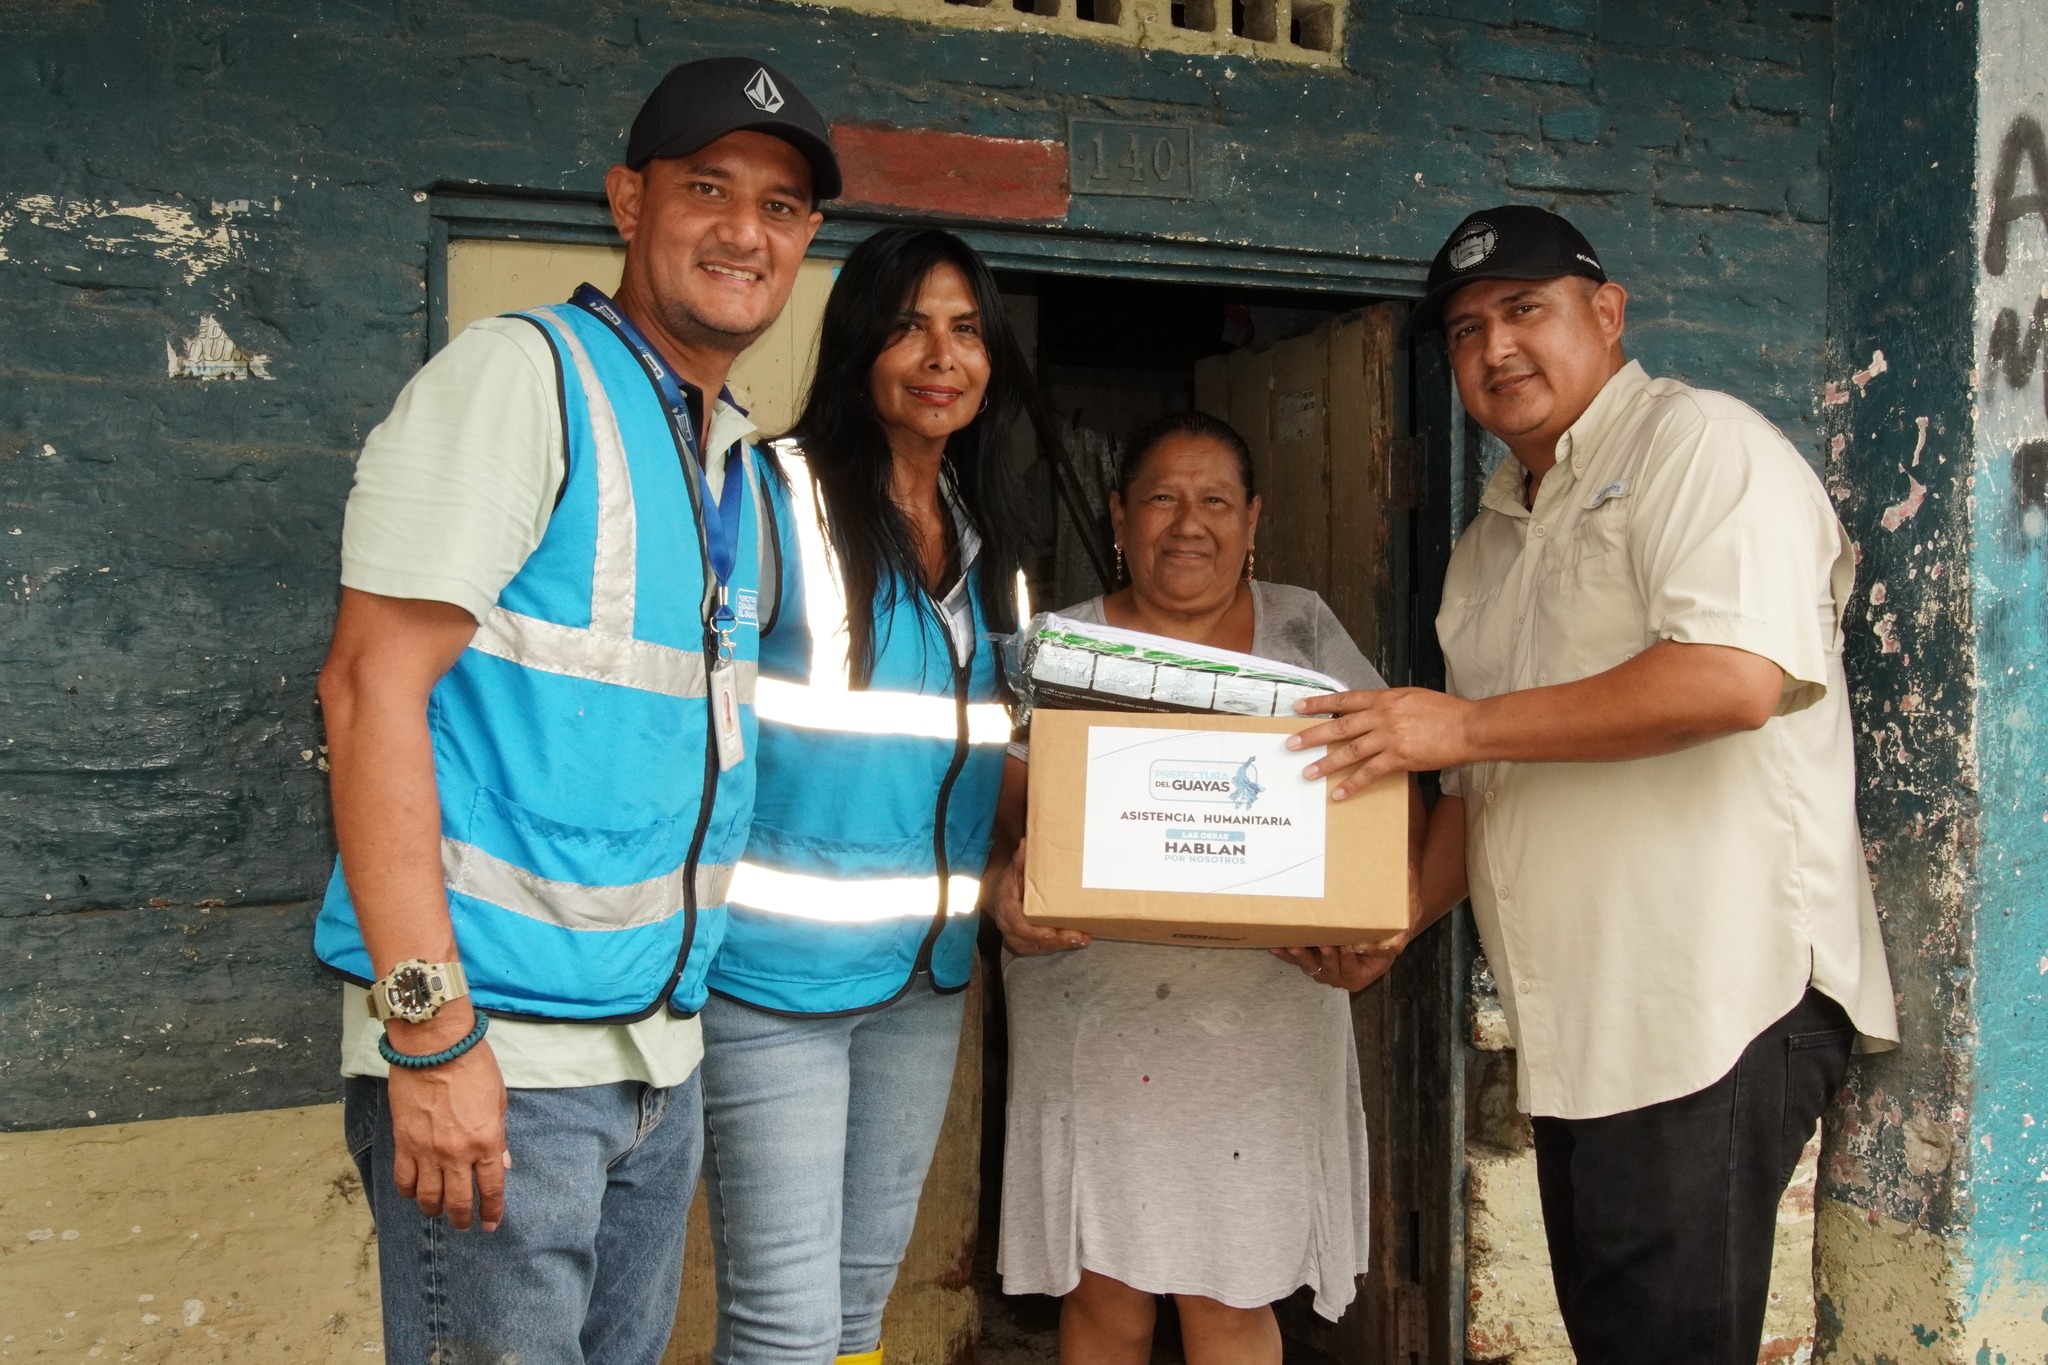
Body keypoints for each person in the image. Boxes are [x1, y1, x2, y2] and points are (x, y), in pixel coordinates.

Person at [1292, 204, 1899, 1363]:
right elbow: (1478, 783)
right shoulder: (1490, 539)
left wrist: (1459, 724)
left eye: (1523, 310)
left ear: (1607, 313)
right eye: (1464, 331)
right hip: (1586, 1019)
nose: (1493, 349)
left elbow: (1730, 679)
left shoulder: (1698, 447)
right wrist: (1395, 918)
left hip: (1712, 998)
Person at [312, 58, 835, 1365]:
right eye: (708, 188)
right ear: (627, 200)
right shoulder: (522, 378)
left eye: (779, 206)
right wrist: (429, 1036)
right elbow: (369, 687)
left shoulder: (733, 456)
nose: (744, 230)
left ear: (806, 240)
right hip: (496, 1058)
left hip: (653, 1061)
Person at [986, 412, 1455, 1365]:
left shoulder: (1302, 630)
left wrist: (1382, 922)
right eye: (1162, 497)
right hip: (1092, 1004)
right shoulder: (1061, 648)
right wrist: (1007, 887)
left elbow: (1389, 790)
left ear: (1252, 520)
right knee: (1102, 1291)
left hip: (1264, 1008)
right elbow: (991, 816)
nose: (1188, 523)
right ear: (1119, 516)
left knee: (1232, 1292)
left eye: (1214, 500)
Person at [701, 226, 1046, 1365]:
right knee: (783, 1320)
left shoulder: (983, 533)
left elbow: (979, 748)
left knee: (859, 1303)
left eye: (966, 330)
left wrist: (1044, 861)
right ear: (859, 344)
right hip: (771, 980)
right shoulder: (772, 496)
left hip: (922, 976)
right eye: (909, 326)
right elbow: (691, 727)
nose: (942, 357)